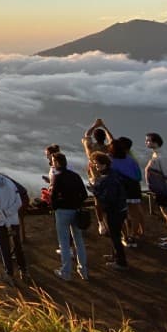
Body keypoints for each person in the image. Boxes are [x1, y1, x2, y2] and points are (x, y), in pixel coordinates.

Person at [0, 161, 28, 285]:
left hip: (0, 222)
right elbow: (18, 202)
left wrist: (5, 220)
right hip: (14, 220)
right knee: (17, 246)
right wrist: (10, 213)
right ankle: (23, 271)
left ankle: (10, 275)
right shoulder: (9, 182)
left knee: (4, 248)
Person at [49, 152, 89, 281]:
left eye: (53, 162)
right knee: (79, 240)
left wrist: (56, 206)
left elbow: (53, 197)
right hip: (76, 211)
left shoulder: (58, 177)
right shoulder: (75, 176)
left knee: (64, 243)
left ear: (57, 163)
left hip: (62, 212)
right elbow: (84, 195)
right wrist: (76, 203)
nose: (52, 164)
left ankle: (66, 272)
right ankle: (83, 270)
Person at [91, 152, 129, 270]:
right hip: (121, 208)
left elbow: (108, 198)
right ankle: (115, 256)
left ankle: (121, 262)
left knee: (115, 236)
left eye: (97, 164)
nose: (95, 166)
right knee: (114, 234)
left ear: (104, 164)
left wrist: (94, 190)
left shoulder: (108, 179)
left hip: (114, 211)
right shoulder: (113, 174)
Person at [110, 136, 145, 246]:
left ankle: (125, 236)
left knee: (120, 214)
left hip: (120, 190)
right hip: (134, 188)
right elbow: (139, 176)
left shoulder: (111, 161)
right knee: (134, 214)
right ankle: (133, 236)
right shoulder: (131, 159)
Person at [83, 119, 114, 235]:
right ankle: (110, 223)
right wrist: (104, 127)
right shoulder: (108, 149)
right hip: (107, 177)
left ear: (95, 138)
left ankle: (101, 224)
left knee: (98, 202)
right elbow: (112, 140)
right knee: (110, 200)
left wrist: (95, 125)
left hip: (95, 178)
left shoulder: (91, 149)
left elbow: (87, 135)